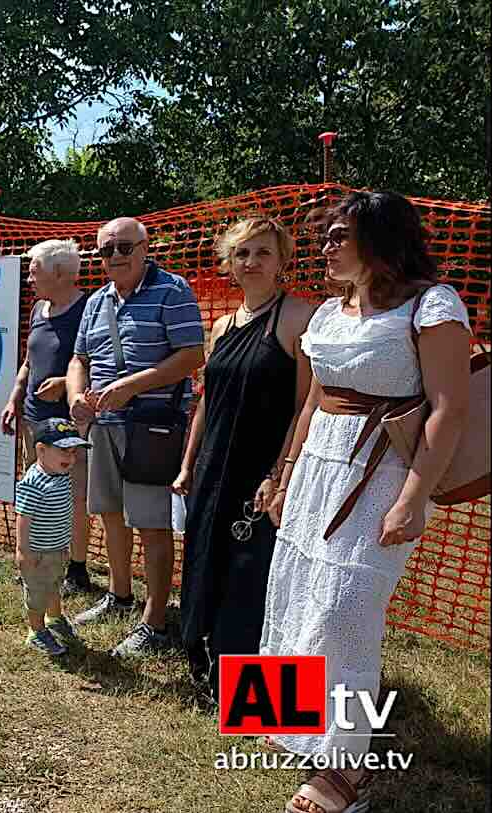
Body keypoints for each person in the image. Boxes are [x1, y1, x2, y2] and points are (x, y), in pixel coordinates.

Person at [262, 192, 471, 813]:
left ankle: (348, 768)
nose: (324, 247)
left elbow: (449, 408)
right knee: (294, 592)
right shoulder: (329, 313)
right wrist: (284, 473)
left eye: (337, 236)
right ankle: (290, 726)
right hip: (316, 470)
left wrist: (414, 497)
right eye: (323, 236)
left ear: (380, 240)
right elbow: (312, 403)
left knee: (346, 614)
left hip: (380, 474)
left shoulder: (433, 305)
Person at [171, 218, 315, 696]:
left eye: (263, 253)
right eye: (242, 254)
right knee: (205, 560)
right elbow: (207, 402)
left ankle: (252, 693)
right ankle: (205, 665)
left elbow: (305, 406)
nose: (252, 262)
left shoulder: (299, 319)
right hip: (214, 467)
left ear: (283, 261)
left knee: (252, 574)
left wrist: (280, 473)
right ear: (228, 263)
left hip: (263, 469)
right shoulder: (221, 325)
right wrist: (189, 466)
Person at [66, 217, 204, 656]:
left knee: (151, 523)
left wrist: (134, 385)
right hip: (103, 425)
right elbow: (79, 358)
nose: (115, 257)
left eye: (124, 247)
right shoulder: (96, 302)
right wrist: (74, 395)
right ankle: (120, 593)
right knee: (109, 513)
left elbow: (191, 356)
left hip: (152, 424)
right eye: (106, 251)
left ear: (145, 247)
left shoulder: (173, 290)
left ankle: (156, 622)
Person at [0, 239, 96, 595]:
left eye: (34, 271)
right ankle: (38, 561)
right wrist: (14, 398)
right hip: (35, 422)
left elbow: (93, 362)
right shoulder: (38, 309)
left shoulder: (89, 308)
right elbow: (28, 361)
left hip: (71, 425)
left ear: (60, 273)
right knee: (38, 495)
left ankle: (77, 570)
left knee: (74, 498)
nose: (29, 279)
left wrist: (65, 383)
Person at [15, 419, 92, 656]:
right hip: (36, 552)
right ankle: (36, 631)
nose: (71, 458)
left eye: (73, 451)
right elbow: (23, 518)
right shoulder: (33, 481)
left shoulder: (61, 474)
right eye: (63, 451)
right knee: (37, 593)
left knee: (54, 585)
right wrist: (23, 551)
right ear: (41, 450)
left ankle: (55, 619)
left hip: (57, 547)